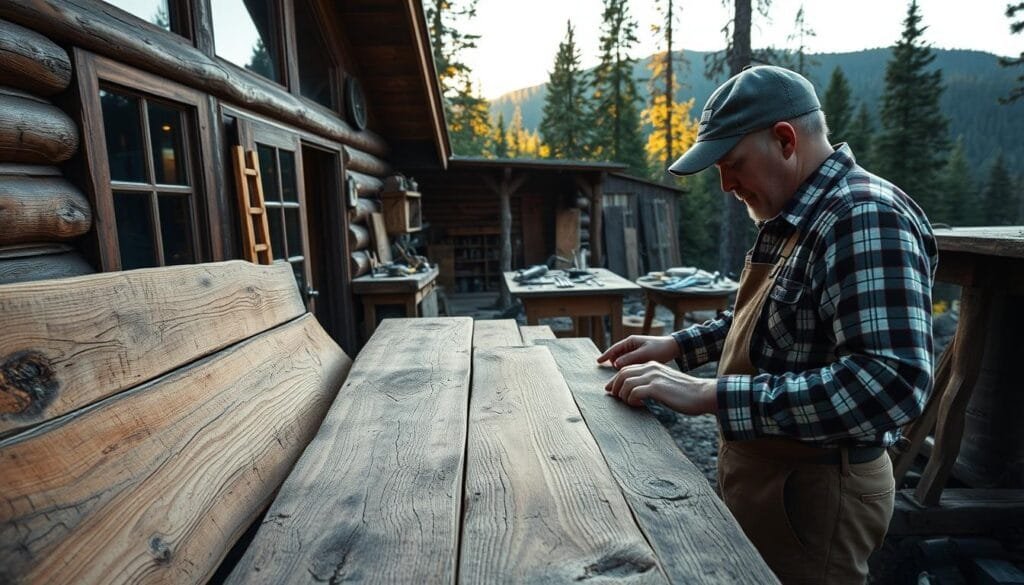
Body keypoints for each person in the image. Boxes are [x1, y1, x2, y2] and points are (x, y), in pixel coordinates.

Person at [597, 65, 937, 584]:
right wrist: (674, 346)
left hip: (817, 493)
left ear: (784, 140)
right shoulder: (794, 214)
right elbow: (766, 320)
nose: (726, 184)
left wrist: (712, 395)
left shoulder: (864, 216)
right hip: (774, 478)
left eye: (732, 164)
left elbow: (890, 385)